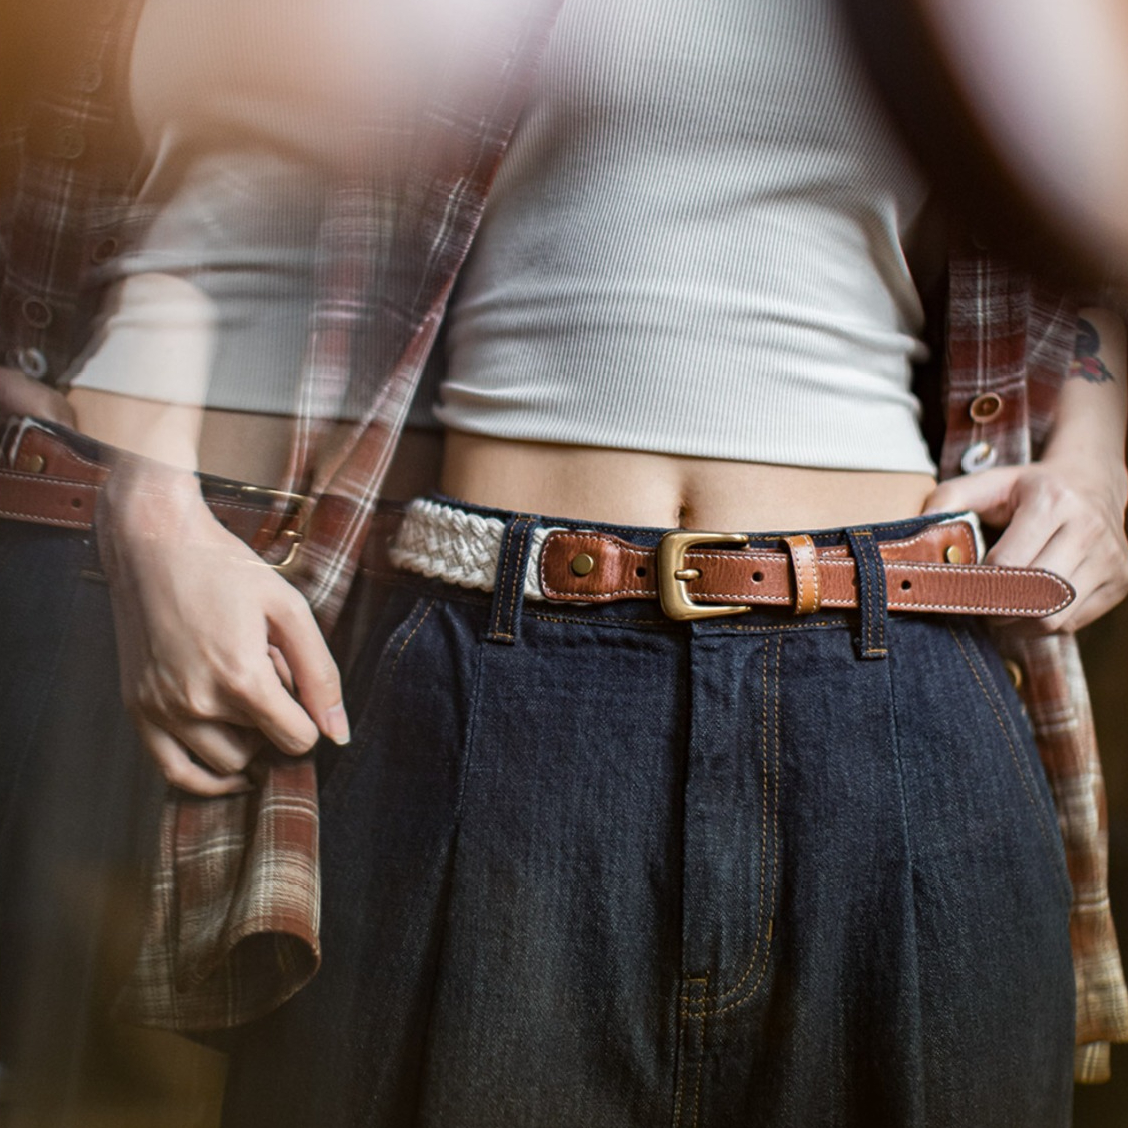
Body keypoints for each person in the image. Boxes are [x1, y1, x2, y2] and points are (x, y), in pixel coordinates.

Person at [1, 0, 1126, 1124]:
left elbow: (1087, 207)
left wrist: (1098, 450)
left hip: (902, 681)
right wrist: (148, 498)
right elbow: (216, 178)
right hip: (505, 677)